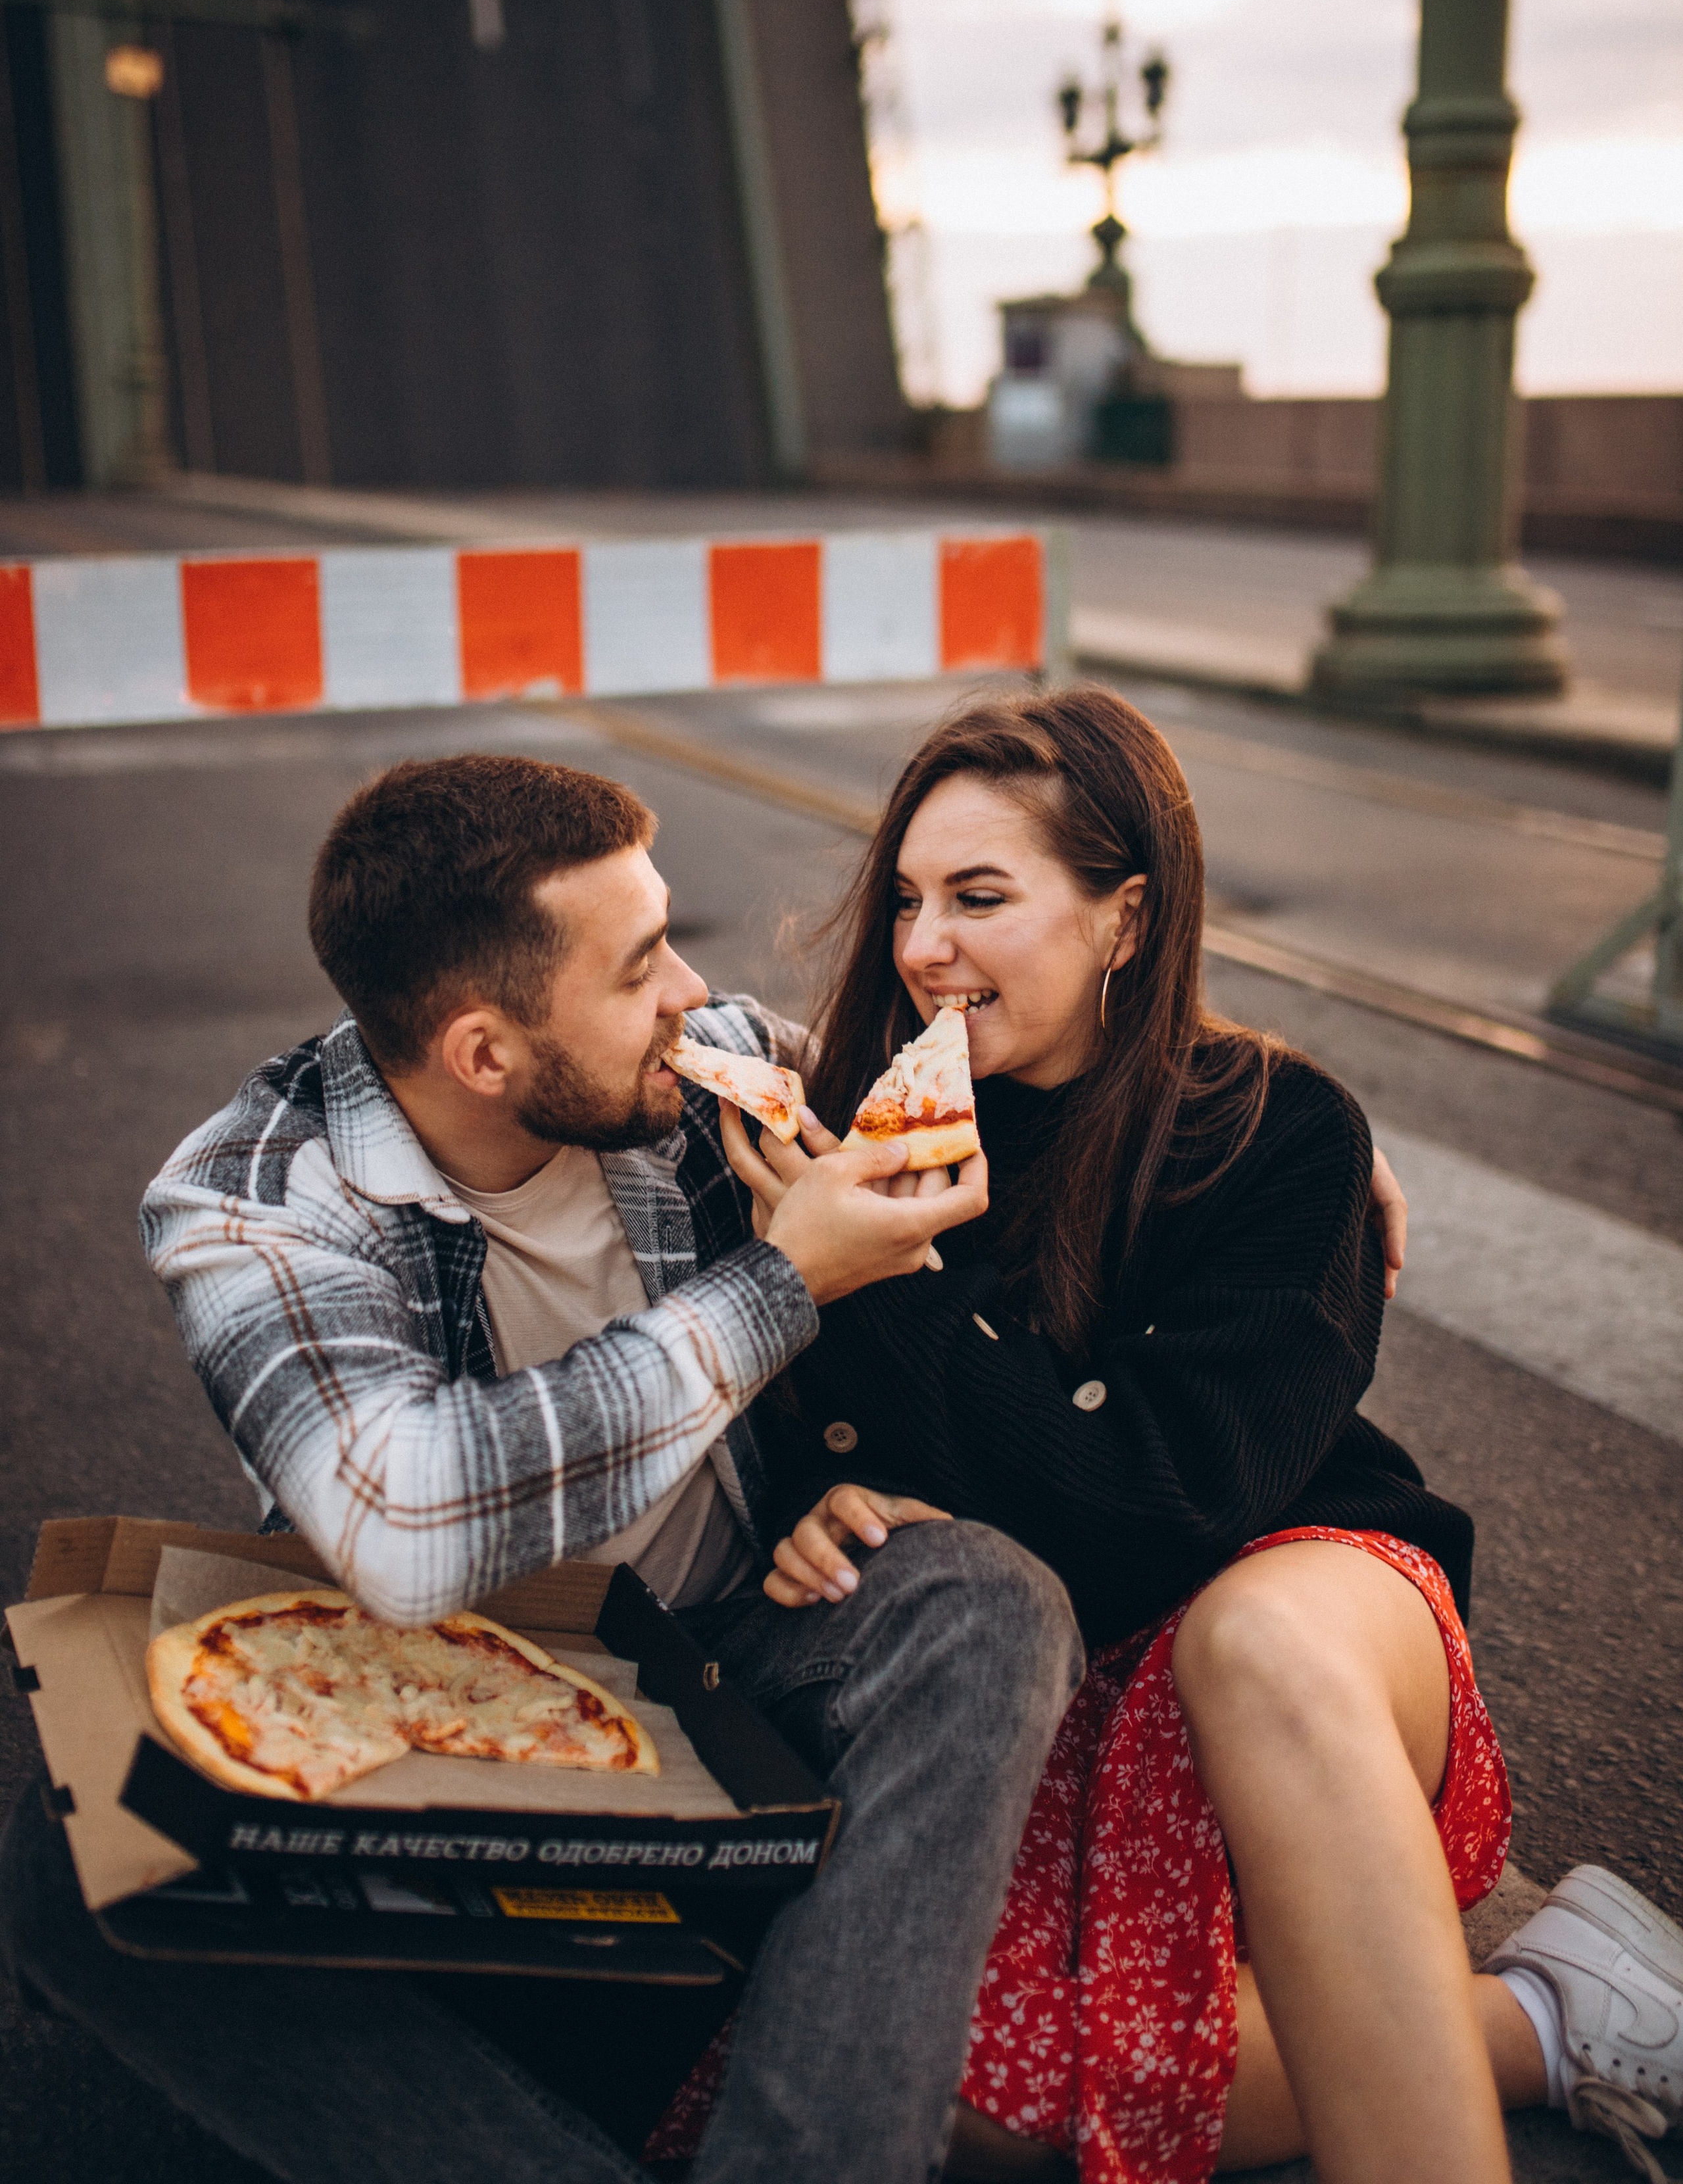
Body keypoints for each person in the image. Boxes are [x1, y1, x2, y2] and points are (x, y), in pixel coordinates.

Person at [0, 751, 1086, 2184]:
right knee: (67, 1861)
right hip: (435, 1700)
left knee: (982, 1600)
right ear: (483, 1054)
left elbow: (1003, 1072)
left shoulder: (708, 1074)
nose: (693, 993)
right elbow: (398, 1523)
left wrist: (1287, 1140)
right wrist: (781, 1286)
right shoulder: (257, 1199)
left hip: (723, 1644)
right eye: (638, 968)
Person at [703, 687, 1683, 2184]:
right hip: (1036, 1669)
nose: (919, 948)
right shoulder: (839, 1123)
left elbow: (1162, 1504)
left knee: (1252, 1643)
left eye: (978, 897)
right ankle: (1543, 2013)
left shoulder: (1276, 1131)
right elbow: (842, 1450)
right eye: (904, 899)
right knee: (973, 2107)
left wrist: (866, 1279)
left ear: (1123, 920)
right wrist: (829, 1507)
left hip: (1287, 1585)